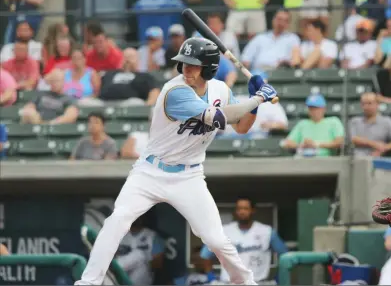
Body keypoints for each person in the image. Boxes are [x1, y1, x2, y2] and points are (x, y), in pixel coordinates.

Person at [74, 37, 277, 285]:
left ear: (209, 68)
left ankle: (245, 282)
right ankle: (88, 283)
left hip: (188, 176)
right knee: (117, 221)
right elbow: (219, 117)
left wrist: (254, 103)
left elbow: (243, 126)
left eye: (193, 65)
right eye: (183, 64)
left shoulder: (221, 90)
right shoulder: (174, 91)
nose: (186, 69)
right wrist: (257, 99)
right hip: (150, 171)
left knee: (215, 240)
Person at [200, 196, 288, 284]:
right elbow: (205, 255)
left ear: (253, 210)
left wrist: (279, 278)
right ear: (236, 211)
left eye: (246, 208)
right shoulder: (224, 231)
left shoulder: (266, 231)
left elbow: (285, 256)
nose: (242, 212)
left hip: (257, 282)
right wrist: (211, 279)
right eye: (239, 209)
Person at [116, 216, 164, 285]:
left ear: (142, 218)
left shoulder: (152, 236)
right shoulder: (119, 235)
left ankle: (115, 269)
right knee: (138, 256)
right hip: (122, 273)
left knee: (140, 255)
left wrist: (143, 263)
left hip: (143, 273)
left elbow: (158, 263)